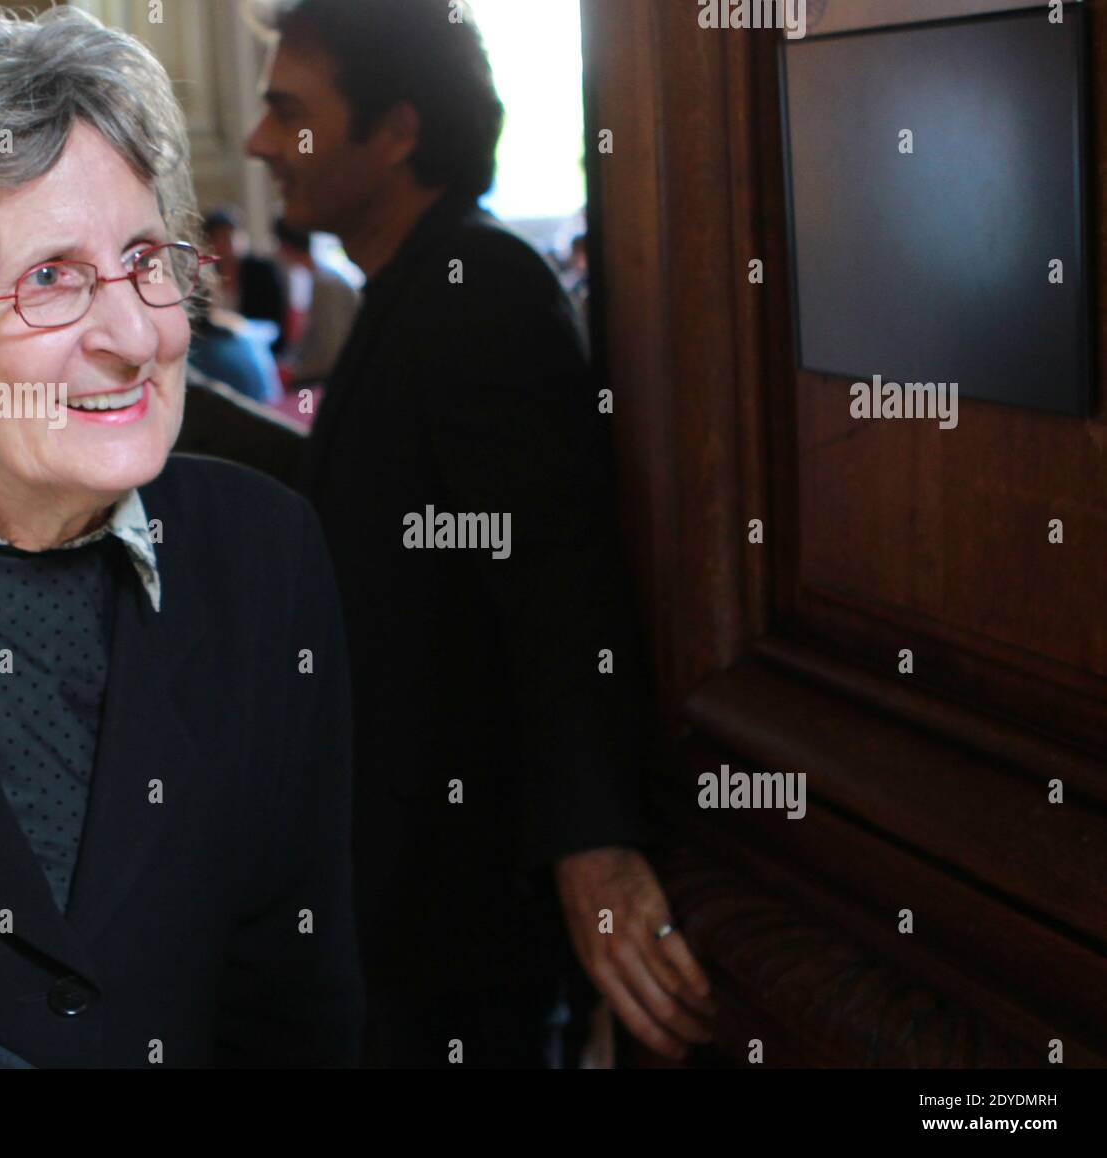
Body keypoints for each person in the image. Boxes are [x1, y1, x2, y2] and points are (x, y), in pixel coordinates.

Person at [0, 6, 361, 1069]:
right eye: (49, 277)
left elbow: (300, 993)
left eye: (146, 258)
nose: (136, 334)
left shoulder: (262, 553)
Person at [248, 0, 716, 1067]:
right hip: (401, 898)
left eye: (290, 112)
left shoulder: (478, 287)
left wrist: (594, 848)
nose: (259, 142)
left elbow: (557, 579)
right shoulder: (416, 286)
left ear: (397, 130)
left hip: (455, 922)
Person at [273, 216, 360, 389]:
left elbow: (330, 351)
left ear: (286, 247)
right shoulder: (319, 279)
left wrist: (296, 374)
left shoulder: (325, 284)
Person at [202, 206, 289, 353]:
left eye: (231, 236)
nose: (228, 244)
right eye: (220, 237)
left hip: (261, 349)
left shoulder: (262, 271)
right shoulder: (205, 274)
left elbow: (275, 325)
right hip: (219, 349)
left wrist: (236, 325)